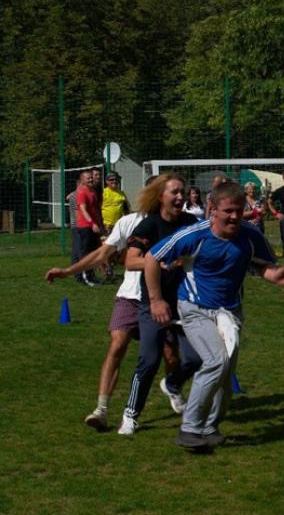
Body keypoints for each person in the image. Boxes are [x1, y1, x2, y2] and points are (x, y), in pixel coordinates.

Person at [146, 181, 284, 449]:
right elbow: (151, 257)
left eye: (239, 210)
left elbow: (260, 266)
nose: (235, 216)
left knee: (226, 372)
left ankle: (210, 426)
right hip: (194, 308)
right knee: (216, 360)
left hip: (230, 311)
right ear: (213, 209)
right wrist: (156, 300)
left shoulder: (250, 235)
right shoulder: (194, 235)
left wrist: (275, 275)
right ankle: (189, 429)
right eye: (228, 211)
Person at [45, 205, 150, 430]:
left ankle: (176, 392)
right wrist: (67, 271)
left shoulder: (178, 223)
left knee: (170, 355)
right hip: (129, 296)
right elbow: (102, 254)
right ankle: (101, 410)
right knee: (117, 345)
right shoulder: (129, 222)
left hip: (159, 299)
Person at [118, 174, 203, 436]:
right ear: (160, 197)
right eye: (174, 192)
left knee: (196, 357)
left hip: (185, 302)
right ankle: (130, 414)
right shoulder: (149, 225)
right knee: (150, 360)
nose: (180, 197)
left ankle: (172, 384)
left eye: (182, 192)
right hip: (153, 304)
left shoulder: (191, 223)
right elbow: (130, 260)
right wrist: (158, 262)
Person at [76, 169, 103, 285]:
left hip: (94, 226)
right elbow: (83, 210)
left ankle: (91, 276)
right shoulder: (82, 192)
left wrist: (100, 223)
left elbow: (96, 210)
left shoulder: (93, 192)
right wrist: (92, 223)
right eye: (88, 178)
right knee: (85, 253)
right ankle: (85, 277)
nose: (91, 179)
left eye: (91, 177)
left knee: (93, 253)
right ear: (82, 180)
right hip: (85, 226)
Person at [101, 171, 129, 236]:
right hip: (105, 225)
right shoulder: (103, 192)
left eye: (116, 179)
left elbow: (126, 209)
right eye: (111, 180)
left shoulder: (122, 193)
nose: (114, 181)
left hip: (118, 224)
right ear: (106, 181)